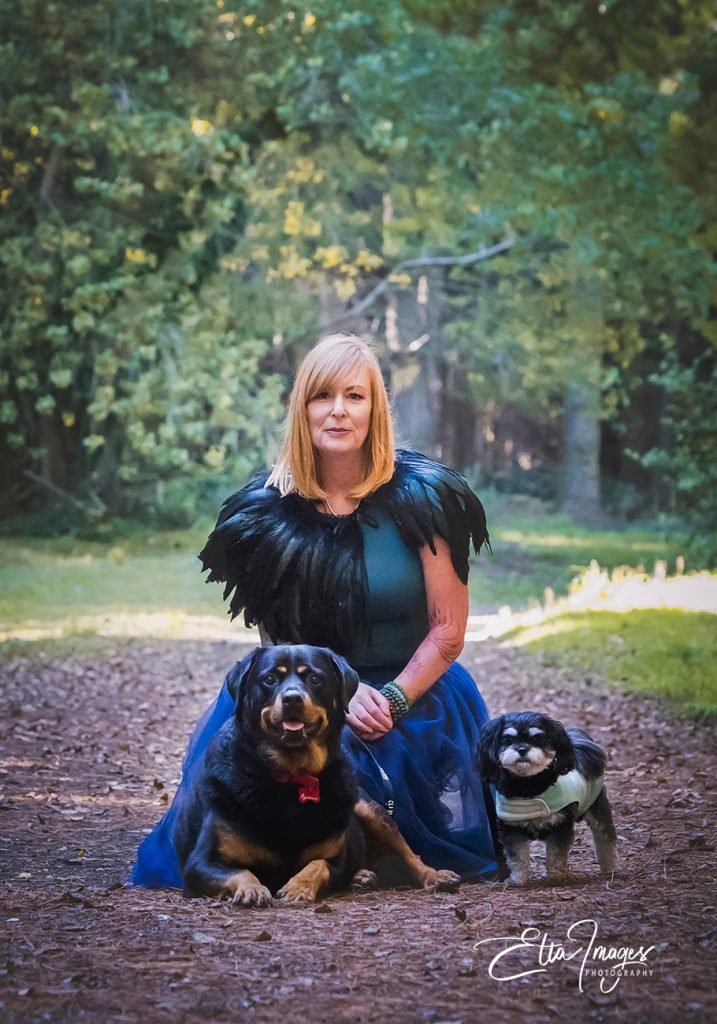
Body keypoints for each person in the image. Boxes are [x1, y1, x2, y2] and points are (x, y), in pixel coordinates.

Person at [130, 334, 499, 888]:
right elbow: (274, 645)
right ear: (301, 408)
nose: (338, 411)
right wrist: (335, 699)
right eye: (322, 396)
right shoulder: (265, 513)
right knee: (252, 794)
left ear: (376, 407)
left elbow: (448, 631)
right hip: (312, 692)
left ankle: (359, 858)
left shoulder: (426, 498)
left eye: (355, 395)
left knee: (380, 813)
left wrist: (392, 699)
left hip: (415, 692)